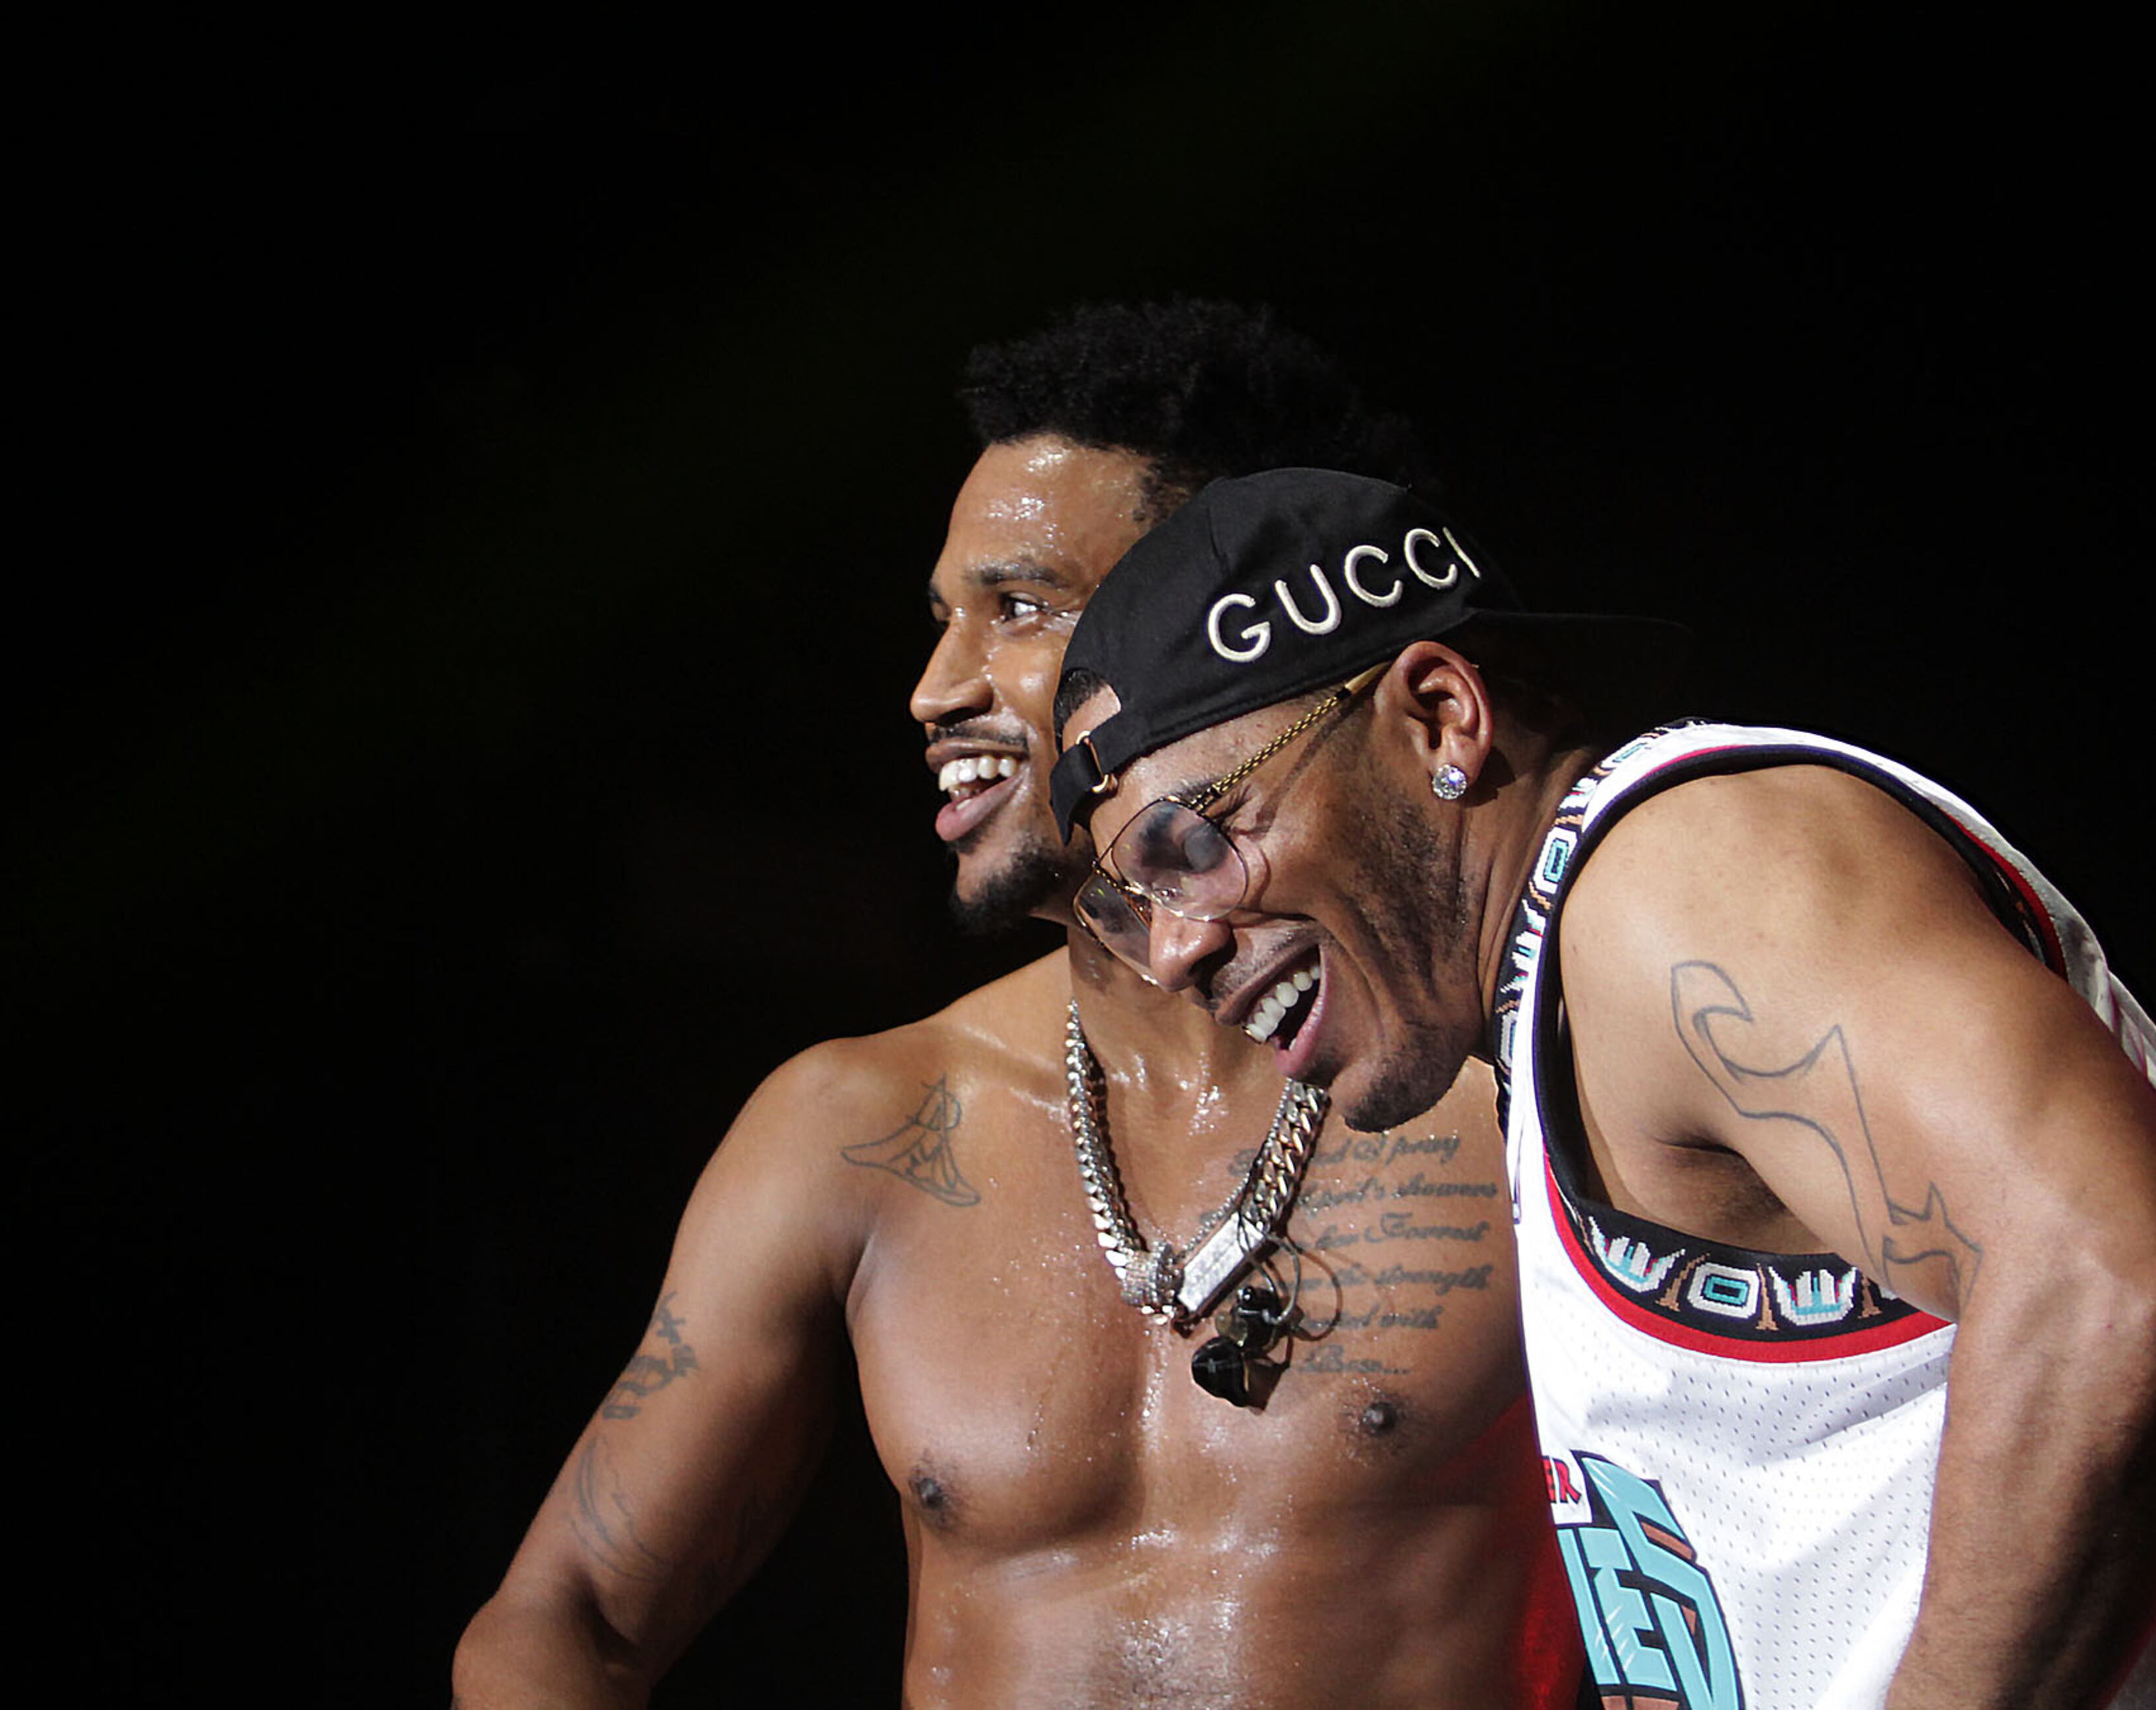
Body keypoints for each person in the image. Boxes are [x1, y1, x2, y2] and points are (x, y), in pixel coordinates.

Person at [1050, 467, 2156, 1707]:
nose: (1174, 948)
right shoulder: (1605, 1000)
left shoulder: (1670, 888)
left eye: (1197, 839)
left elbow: (2114, 1271)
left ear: (1441, 715)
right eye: (1128, 901)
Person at [452, 304, 1586, 1707]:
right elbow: (563, 1621)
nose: (936, 688)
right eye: (945, 618)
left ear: (1206, 637)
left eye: (1025, 607)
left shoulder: (1521, 1090)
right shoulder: (860, 1125)